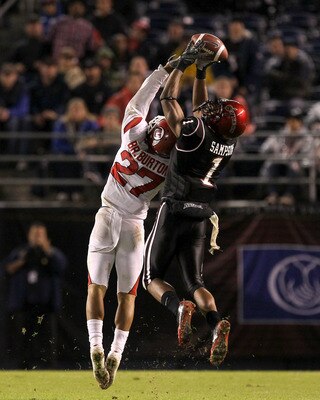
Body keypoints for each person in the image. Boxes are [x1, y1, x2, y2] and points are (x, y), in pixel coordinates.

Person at [142, 41, 248, 366]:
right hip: (202, 214)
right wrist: (201, 72)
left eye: (221, 109)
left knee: (151, 277)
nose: (215, 107)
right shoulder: (227, 141)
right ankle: (216, 323)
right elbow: (203, 112)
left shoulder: (193, 134)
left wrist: (182, 65)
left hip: (174, 207)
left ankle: (179, 309)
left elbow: (167, 99)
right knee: (196, 282)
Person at [86, 60, 177, 389]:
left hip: (107, 213)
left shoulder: (133, 133)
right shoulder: (169, 167)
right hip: (135, 225)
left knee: (96, 287)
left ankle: (96, 346)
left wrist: (166, 71)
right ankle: (116, 352)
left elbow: (140, 98)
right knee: (128, 296)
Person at [1, 222, 67, 368]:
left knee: (49, 339)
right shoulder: (20, 252)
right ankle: (21, 367)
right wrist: (23, 260)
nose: (37, 238)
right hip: (24, 304)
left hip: (46, 306)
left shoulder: (52, 253)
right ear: (29, 236)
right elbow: (7, 269)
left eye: (40, 235)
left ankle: (50, 367)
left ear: (45, 237)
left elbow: (61, 267)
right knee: (22, 338)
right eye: (34, 235)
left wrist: (46, 250)